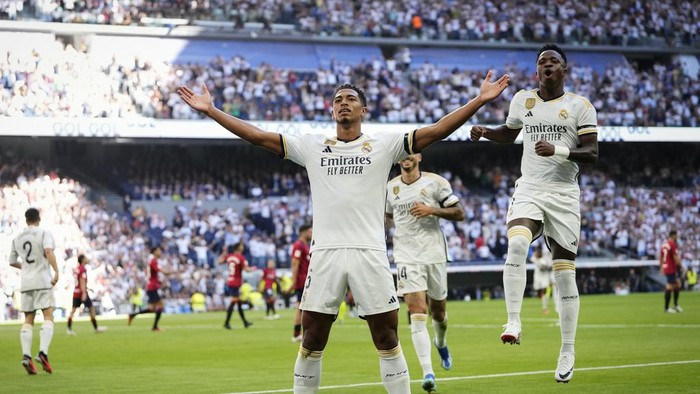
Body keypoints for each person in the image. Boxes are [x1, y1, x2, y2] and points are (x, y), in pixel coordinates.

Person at [178, 69, 509, 393]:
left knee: (387, 337)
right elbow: (258, 136)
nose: (344, 103)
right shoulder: (311, 146)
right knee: (311, 339)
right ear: (331, 109)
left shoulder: (385, 145)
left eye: (351, 99)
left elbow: (437, 131)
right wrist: (211, 111)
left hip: (370, 254)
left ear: (363, 110)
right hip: (325, 255)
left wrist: (478, 100)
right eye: (338, 100)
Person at [471, 43, 598, 384]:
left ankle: (567, 351)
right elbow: (509, 134)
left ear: (564, 70)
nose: (547, 65)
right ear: (537, 70)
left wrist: (556, 149)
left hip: (564, 195)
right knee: (516, 245)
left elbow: (592, 152)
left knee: (564, 274)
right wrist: (486, 132)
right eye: (542, 61)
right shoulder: (522, 100)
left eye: (553, 61)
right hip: (529, 187)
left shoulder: (579, 107)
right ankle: (513, 320)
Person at [385, 153, 465, 393]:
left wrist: (432, 210)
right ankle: (428, 372)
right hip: (406, 256)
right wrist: (385, 228)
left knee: (439, 313)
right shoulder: (390, 187)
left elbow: (459, 213)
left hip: (434, 254)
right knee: (417, 311)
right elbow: (388, 216)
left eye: (410, 154)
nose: (405, 159)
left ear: (418, 157)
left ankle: (440, 342)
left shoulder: (436, 182)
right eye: (402, 156)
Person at [9, 208, 59, 374]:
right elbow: (48, 251)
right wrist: (56, 270)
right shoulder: (44, 233)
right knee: (48, 315)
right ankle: (43, 353)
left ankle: (26, 356)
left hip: (26, 282)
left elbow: (12, 261)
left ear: (26, 220)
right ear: (39, 218)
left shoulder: (17, 238)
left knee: (28, 319)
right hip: (42, 280)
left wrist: (26, 267)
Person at [128, 246, 174, 331]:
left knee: (152, 309)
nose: (160, 252)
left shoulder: (154, 261)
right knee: (160, 305)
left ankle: (133, 315)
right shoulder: (153, 261)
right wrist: (171, 272)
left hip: (152, 286)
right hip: (152, 287)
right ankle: (155, 327)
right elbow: (161, 271)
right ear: (155, 252)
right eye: (159, 250)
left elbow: (155, 274)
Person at [67, 254, 107, 335]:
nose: (87, 259)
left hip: (76, 291)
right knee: (91, 308)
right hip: (82, 292)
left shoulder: (77, 269)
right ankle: (96, 328)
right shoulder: (82, 269)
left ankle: (69, 329)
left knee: (73, 310)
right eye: (85, 258)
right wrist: (84, 292)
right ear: (82, 259)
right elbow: (82, 280)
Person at [219, 242, 255, 329]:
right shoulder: (241, 258)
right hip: (236, 282)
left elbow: (219, 261)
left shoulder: (229, 256)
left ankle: (245, 322)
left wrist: (224, 252)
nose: (243, 247)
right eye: (241, 246)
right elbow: (247, 270)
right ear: (238, 248)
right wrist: (253, 268)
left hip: (230, 281)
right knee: (234, 301)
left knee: (238, 303)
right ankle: (226, 323)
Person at [290, 224, 312, 342]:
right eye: (309, 231)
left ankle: (298, 334)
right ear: (303, 232)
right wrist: (294, 280)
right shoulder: (298, 245)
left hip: (306, 280)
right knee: (301, 307)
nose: (311, 234)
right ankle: (298, 334)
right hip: (302, 281)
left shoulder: (304, 246)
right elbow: (295, 263)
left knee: (302, 307)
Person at [660, 230, 683, 313]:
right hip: (671, 267)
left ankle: (676, 305)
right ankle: (666, 308)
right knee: (669, 286)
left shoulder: (664, 244)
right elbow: (674, 256)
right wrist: (682, 266)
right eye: (676, 235)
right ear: (673, 235)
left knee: (677, 284)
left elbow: (661, 256)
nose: (677, 237)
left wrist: (661, 267)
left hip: (667, 267)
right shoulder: (672, 243)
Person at [531, 245, 553, 314]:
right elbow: (533, 259)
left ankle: (545, 306)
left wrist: (546, 267)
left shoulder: (545, 259)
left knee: (546, 289)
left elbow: (549, 265)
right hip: (537, 276)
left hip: (545, 276)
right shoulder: (534, 258)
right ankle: (541, 296)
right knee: (538, 289)